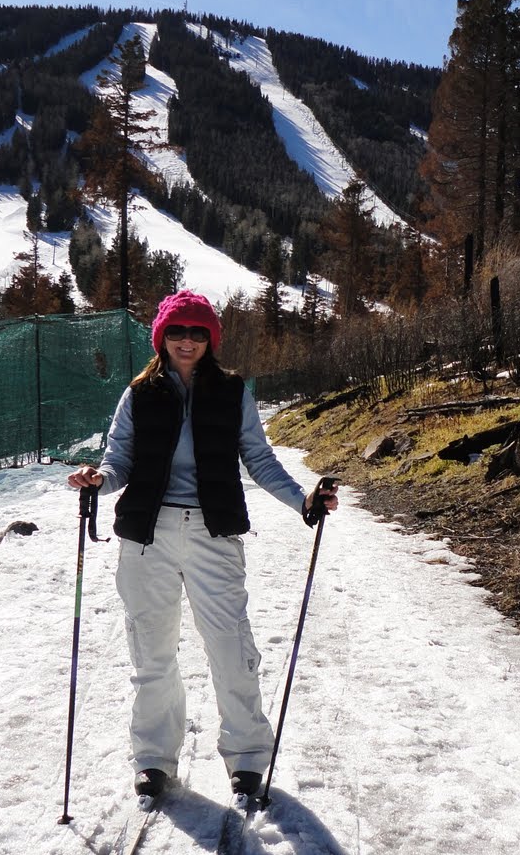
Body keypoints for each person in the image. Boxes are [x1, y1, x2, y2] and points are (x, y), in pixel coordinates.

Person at [68, 289, 337, 803]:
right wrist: (97, 480)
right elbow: (118, 459)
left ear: (210, 338)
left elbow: (258, 459)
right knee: (151, 652)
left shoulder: (232, 391)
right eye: (176, 331)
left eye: (197, 332)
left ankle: (248, 758)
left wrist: (303, 499)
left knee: (231, 648)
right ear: (161, 337)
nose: (186, 340)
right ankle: (152, 759)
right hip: (148, 537)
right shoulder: (139, 393)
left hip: (214, 535)